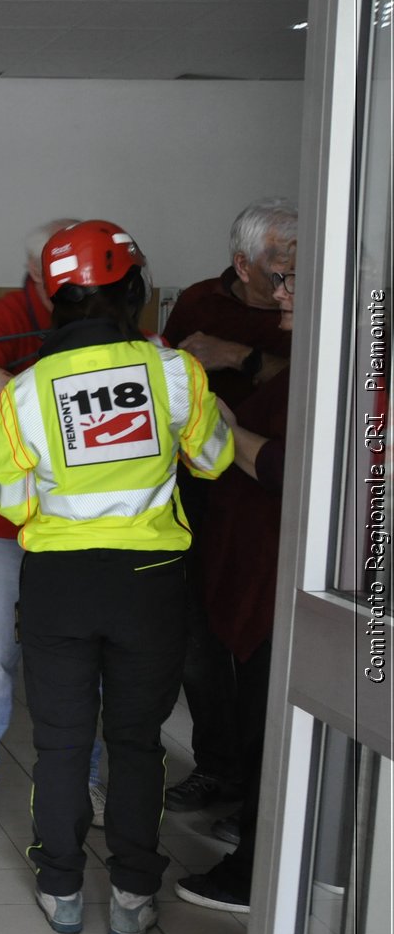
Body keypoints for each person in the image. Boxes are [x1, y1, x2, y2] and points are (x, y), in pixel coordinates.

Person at [0, 220, 232, 934]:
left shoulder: (27, 390)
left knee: (60, 742)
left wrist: (59, 505)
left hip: (60, 579)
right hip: (150, 582)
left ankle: (60, 888)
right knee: (136, 741)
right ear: (135, 289)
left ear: (52, 299)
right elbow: (213, 458)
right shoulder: (174, 373)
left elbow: (8, 500)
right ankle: (131, 892)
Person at [0, 219, 107, 836]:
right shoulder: (7, 314)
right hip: (5, 525)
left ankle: (85, 780)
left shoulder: (108, 318)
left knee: (80, 661)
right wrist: (55, 409)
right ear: (40, 274)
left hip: (85, 528)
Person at [159, 198, 297, 816]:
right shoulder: (198, 302)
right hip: (198, 493)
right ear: (243, 264)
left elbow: (319, 387)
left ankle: (259, 791)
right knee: (197, 635)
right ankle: (217, 769)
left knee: (261, 642)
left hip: (270, 498)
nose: (289, 279)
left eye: (299, 264)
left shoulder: (312, 318)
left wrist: (236, 357)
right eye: (280, 264)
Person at [176, 256, 297, 915]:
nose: (280, 291)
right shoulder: (200, 302)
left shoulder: (346, 366)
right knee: (241, 701)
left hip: (281, 577)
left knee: (268, 721)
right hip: (244, 559)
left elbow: (284, 465)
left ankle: (257, 867)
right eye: (277, 275)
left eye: (294, 280)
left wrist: (220, 419)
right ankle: (237, 803)